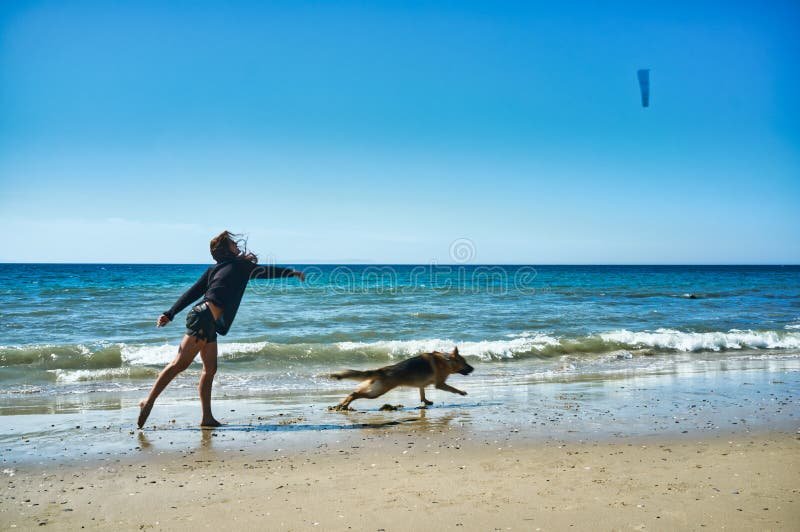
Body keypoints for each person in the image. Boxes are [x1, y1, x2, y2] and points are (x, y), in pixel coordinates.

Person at [138, 231, 304, 429]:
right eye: (233, 243)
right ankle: (148, 401)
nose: (237, 245)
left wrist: (171, 313)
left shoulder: (228, 268)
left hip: (208, 321)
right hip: (202, 316)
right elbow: (194, 292)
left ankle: (207, 418)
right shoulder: (232, 267)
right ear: (226, 249)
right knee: (179, 364)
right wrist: (170, 313)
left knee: (210, 370)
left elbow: (193, 293)